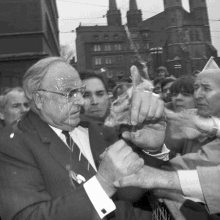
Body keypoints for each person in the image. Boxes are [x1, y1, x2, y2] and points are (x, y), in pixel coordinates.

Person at [0, 57, 165, 220]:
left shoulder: (93, 127)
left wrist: (151, 151)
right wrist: (103, 184)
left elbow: (128, 191)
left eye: (80, 91)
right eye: (70, 93)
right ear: (39, 99)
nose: (80, 101)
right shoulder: (11, 144)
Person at [164, 76, 196, 155]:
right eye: (174, 94)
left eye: (186, 94)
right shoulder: (159, 120)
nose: (178, 98)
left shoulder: (211, 126)